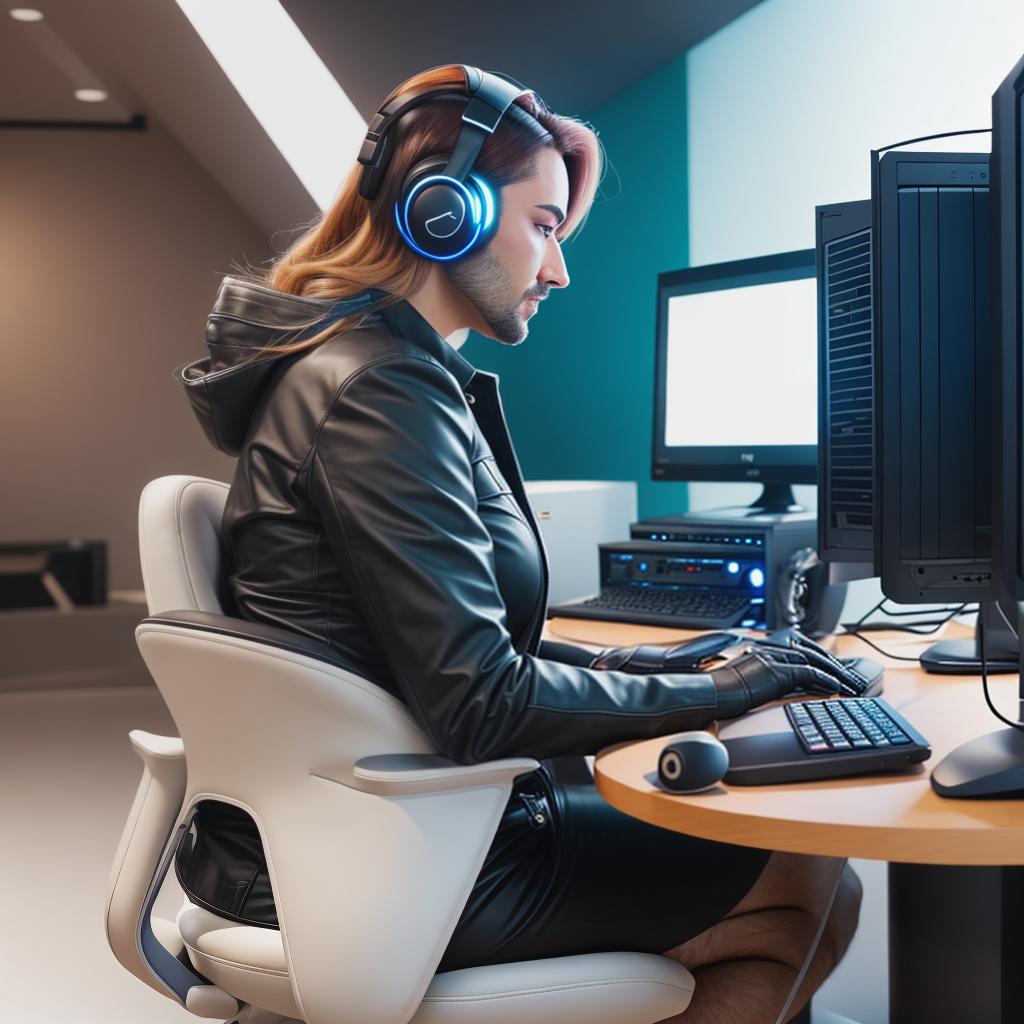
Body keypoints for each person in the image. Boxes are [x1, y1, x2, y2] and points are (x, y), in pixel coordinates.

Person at [175, 64, 862, 1024]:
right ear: (443, 212)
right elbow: (479, 702)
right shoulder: (381, 394)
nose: (559, 268)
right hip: (396, 854)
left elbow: (444, 644)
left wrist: (639, 659)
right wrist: (722, 688)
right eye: (543, 226)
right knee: (804, 873)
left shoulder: (368, 372)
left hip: (355, 827)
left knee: (787, 858)